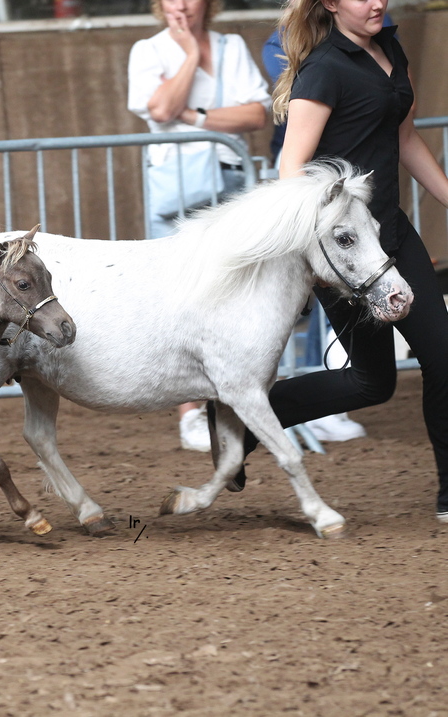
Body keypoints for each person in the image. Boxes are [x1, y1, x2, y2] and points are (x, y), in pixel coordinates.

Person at [233, 0, 448, 524]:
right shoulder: (325, 69)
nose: (377, 2)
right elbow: (291, 168)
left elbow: (405, 139)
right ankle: (240, 421)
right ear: (330, 3)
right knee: (373, 383)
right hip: (344, 251)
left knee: (444, 358)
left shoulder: (391, 50)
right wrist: (320, 253)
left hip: (392, 234)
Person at [127, 0, 270, 451]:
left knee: (234, 291)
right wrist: (190, 54)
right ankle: (189, 411)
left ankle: (231, 402)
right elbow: (160, 109)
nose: (182, 4)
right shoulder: (148, 50)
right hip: (176, 186)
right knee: (180, 294)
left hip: (229, 180)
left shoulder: (232, 46)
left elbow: (257, 115)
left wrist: (194, 117)